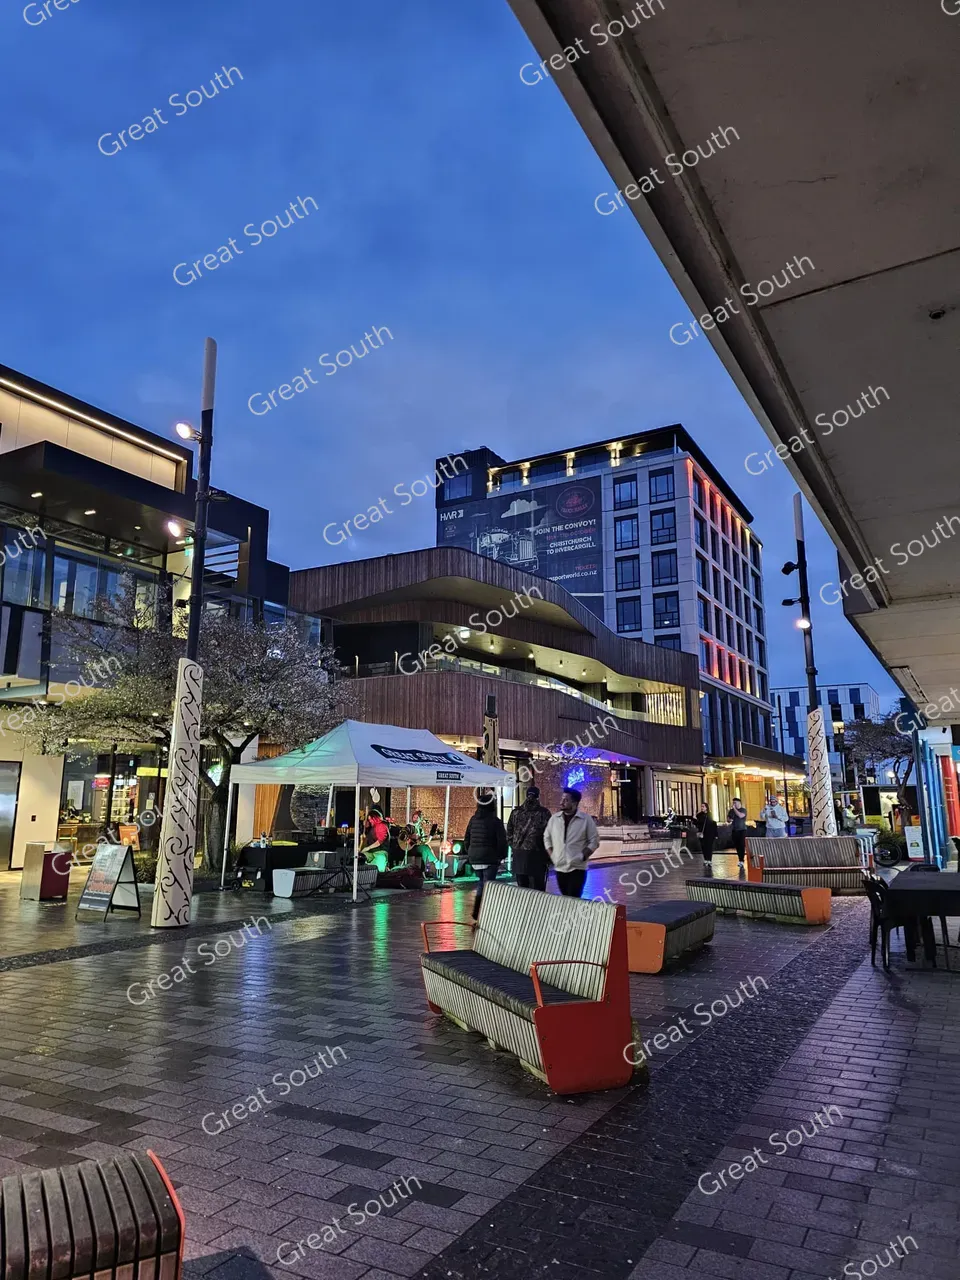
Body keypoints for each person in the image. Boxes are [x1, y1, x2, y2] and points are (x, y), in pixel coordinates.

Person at [544, 788, 599, 898]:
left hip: (577, 868)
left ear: (574, 803)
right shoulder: (555, 819)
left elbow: (594, 841)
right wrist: (552, 855)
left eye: (566, 800)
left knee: (574, 897)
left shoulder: (585, 819)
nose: (561, 802)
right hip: (560, 867)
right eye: (562, 799)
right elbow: (547, 837)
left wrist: (583, 856)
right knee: (565, 897)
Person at [463, 790, 508, 920]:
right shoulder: (495, 821)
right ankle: (484, 913)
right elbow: (501, 841)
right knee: (488, 885)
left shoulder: (473, 819)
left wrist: (470, 851)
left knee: (481, 883)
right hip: (490, 858)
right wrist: (501, 856)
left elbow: (467, 838)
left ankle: (479, 912)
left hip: (475, 858)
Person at [506, 786, 552, 891]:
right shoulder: (544, 813)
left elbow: (509, 832)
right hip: (537, 857)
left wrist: (513, 846)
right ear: (538, 796)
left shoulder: (516, 812)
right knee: (537, 891)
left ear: (526, 795)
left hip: (519, 856)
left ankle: (524, 907)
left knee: (523, 891)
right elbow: (550, 835)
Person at [696, 803, 718, 873]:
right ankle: (705, 859)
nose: (702, 808)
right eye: (701, 806)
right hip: (702, 834)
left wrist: (716, 834)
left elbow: (713, 824)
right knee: (703, 846)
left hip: (710, 833)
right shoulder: (699, 815)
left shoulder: (710, 815)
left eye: (703, 806)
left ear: (706, 807)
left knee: (709, 847)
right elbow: (698, 824)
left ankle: (709, 860)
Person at [727, 797, 748, 870]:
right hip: (734, 830)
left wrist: (735, 809)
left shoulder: (743, 810)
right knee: (737, 846)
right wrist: (729, 819)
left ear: (739, 803)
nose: (734, 804)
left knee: (741, 845)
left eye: (735, 803)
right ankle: (740, 859)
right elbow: (728, 819)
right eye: (733, 803)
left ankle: (741, 860)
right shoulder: (731, 811)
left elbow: (741, 815)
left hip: (742, 830)